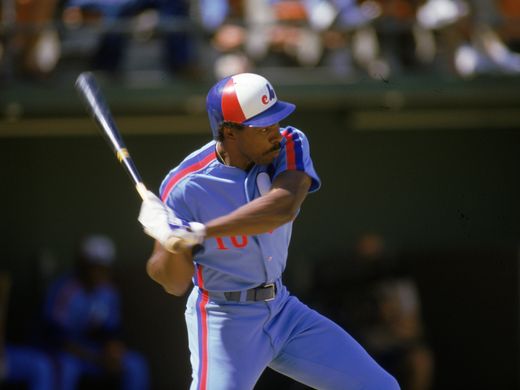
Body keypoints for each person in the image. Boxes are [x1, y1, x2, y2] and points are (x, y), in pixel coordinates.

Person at [137, 72, 400, 389]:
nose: (275, 133)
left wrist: (201, 231)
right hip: (225, 317)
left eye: (275, 121)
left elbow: (282, 207)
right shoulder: (184, 187)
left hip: (283, 310)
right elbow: (174, 282)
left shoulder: (289, 143)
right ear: (229, 132)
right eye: (263, 128)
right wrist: (169, 239)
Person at [41, 234, 149, 390]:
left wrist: (113, 350)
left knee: (136, 365)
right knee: (67, 367)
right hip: (67, 353)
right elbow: (55, 336)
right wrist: (95, 357)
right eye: (93, 266)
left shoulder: (109, 292)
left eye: (103, 267)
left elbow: (112, 331)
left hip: (94, 351)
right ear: (82, 265)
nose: (98, 272)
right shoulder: (65, 289)